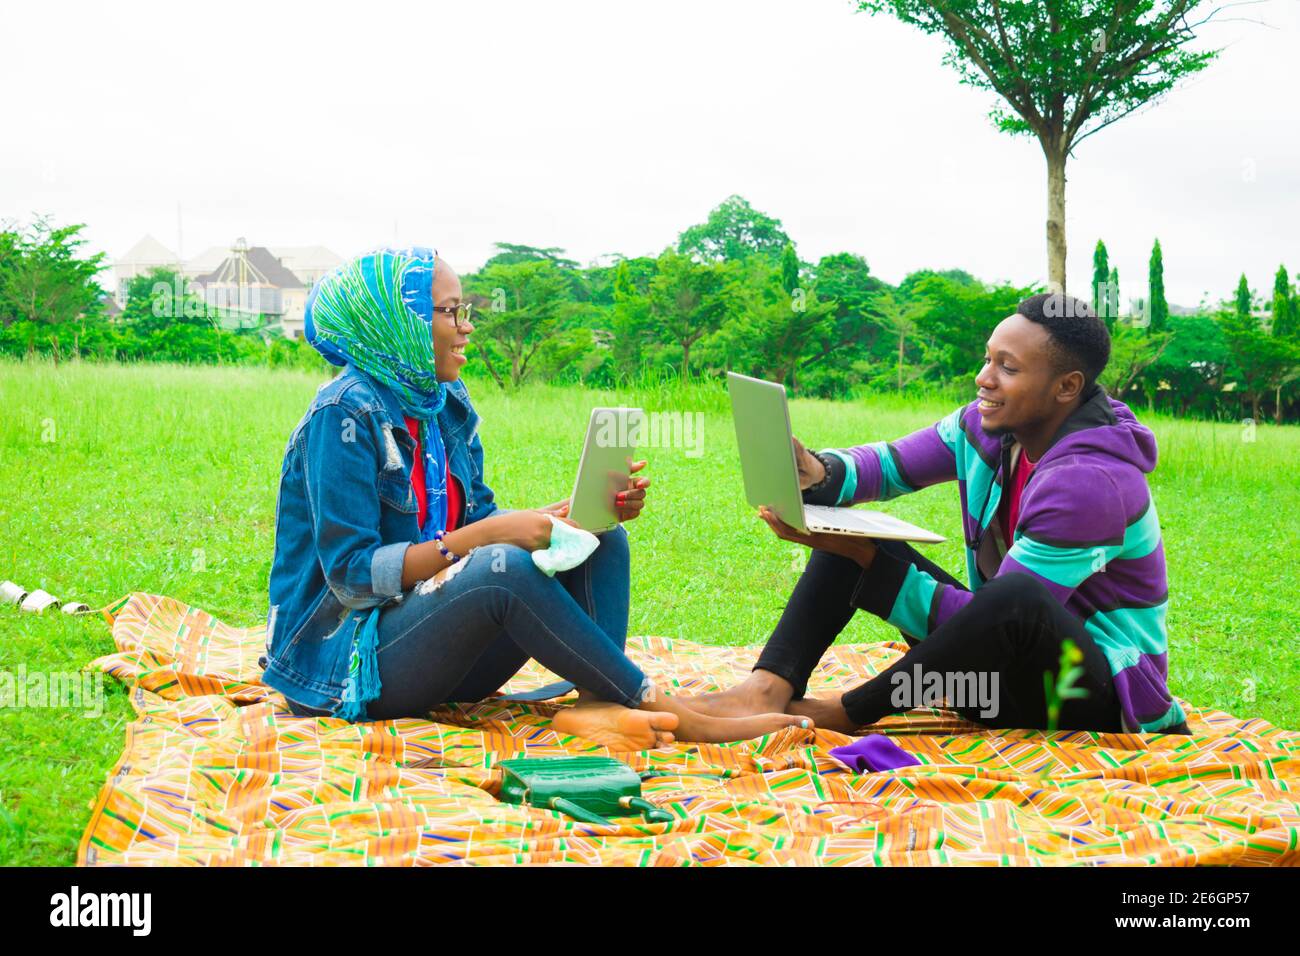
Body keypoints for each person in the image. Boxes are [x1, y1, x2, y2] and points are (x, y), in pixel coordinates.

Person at [261, 246, 807, 749]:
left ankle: (597, 704)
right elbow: (354, 576)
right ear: (397, 323)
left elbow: (473, 520)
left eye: (465, 309)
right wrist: (490, 535)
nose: (467, 326)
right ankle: (664, 707)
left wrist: (558, 518)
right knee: (501, 565)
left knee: (600, 541)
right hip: (349, 667)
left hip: (434, 651)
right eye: (450, 312)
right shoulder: (343, 415)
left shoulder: (442, 402)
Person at [690, 293, 1191, 737]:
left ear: (1066, 387)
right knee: (856, 535)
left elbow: (1002, 620)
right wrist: (817, 472)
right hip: (994, 679)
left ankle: (845, 714)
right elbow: (889, 464)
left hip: (1088, 700)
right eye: (988, 359)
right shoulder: (986, 425)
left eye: (1008, 368)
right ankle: (766, 689)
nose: (983, 378)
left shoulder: (1090, 482)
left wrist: (873, 566)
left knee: (1012, 595)